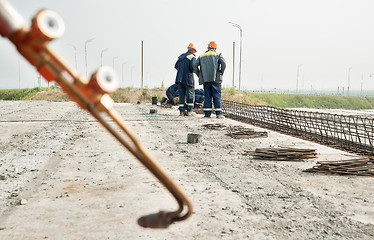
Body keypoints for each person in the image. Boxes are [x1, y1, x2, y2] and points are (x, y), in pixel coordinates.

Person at [193, 41, 226, 118]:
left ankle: (207, 114)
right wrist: (220, 72)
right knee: (217, 96)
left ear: (208, 48)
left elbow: (195, 65)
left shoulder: (202, 56)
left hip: (206, 80)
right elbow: (224, 63)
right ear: (215, 48)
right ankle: (218, 114)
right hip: (216, 80)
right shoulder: (218, 54)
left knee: (207, 96)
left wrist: (199, 75)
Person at [174, 43, 197, 116]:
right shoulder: (192, 57)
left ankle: (182, 111)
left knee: (181, 95)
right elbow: (192, 67)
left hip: (179, 79)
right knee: (190, 94)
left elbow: (176, 66)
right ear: (193, 50)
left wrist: (181, 70)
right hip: (188, 78)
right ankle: (190, 111)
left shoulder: (181, 57)